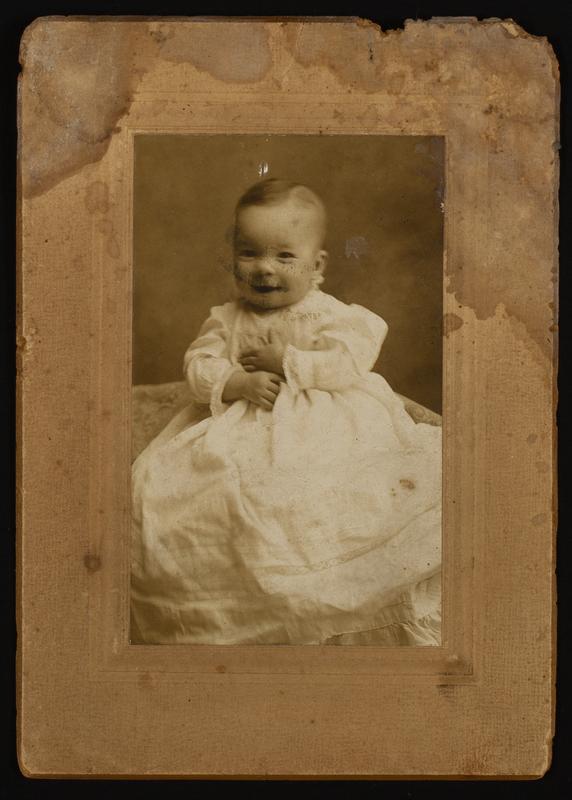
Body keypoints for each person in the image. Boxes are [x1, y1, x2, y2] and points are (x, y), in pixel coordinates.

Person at [131, 178, 442, 646]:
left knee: (324, 494)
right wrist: (236, 382)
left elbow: (349, 362)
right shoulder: (227, 318)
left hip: (323, 422)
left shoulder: (331, 315)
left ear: (317, 265)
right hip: (241, 426)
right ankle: (237, 598)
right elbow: (198, 366)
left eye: (284, 256)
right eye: (249, 253)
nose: (265, 268)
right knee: (201, 495)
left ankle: (329, 596)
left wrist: (290, 362)